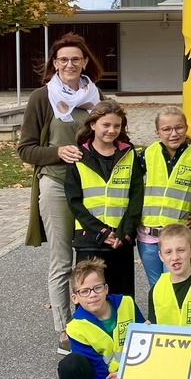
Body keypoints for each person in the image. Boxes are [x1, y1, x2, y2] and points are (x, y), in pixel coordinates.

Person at [18, 32, 103, 355]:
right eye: (63, 59)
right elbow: (26, 150)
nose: (69, 64)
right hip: (54, 183)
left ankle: (93, 320)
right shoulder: (43, 97)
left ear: (85, 63)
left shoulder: (95, 96)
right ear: (54, 64)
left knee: (92, 256)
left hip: (92, 186)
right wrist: (58, 153)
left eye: (75, 59)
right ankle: (66, 330)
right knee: (62, 260)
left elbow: (110, 133)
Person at [54, 257, 145, 379]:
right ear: (75, 298)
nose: (93, 294)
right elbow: (97, 369)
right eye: (85, 291)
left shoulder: (126, 303)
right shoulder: (76, 327)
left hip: (133, 375)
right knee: (70, 364)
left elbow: (144, 340)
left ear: (106, 288)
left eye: (97, 288)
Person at [65, 100, 143, 298]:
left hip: (120, 240)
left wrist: (124, 233)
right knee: (90, 296)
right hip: (89, 239)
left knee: (122, 298)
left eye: (117, 125)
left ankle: (121, 330)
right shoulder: (78, 156)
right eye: (106, 125)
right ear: (93, 125)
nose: (112, 130)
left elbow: (136, 198)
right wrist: (101, 232)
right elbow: (74, 202)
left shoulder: (129, 154)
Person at [138, 106, 191, 287]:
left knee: (177, 284)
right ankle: (158, 316)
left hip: (178, 236)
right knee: (156, 287)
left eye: (179, 128)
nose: (173, 133)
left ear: (186, 127)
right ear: (157, 132)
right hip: (148, 237)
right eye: (167, 129)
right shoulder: (147, 154)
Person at [147, 224, 191, 326]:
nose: (175, 257)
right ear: (161, 256)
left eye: (181, 250)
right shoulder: (156, 290)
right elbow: (153, 324)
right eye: (168, 252)